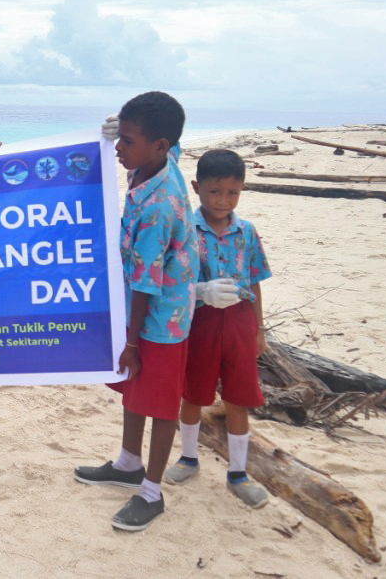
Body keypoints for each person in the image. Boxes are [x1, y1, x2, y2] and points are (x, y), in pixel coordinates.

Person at [74, 91, 198, 532]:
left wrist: (131, 341)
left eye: (127, 141)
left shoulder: (161, 205)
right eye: (119, 138)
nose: (119, 149)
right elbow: (172, 142)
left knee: (161, 404)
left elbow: (147, 279)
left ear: (158, 145)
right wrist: (115, 129)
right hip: (139, 308)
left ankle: (151, 490)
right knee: (133, 387)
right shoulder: (158, 162)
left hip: (161, 320)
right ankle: (128, 461)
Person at [164, 149, 272, 508]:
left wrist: (258, 329)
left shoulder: (247, 231)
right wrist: (200, 294)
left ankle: (238, 473)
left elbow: (255, 281)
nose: (223, 200)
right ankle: (188, 457)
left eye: (232, 193)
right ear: (196, 187)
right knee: (193, 394)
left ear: (242, 190)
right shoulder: (186, 231)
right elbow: (176, 280)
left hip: (240, 321)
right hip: (200, 321)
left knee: (239, 396)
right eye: (215, 192)